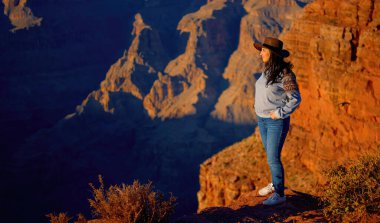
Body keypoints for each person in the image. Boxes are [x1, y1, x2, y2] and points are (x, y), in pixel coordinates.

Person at [253, 37, 302, 206]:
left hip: (275, 122)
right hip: (262, 120)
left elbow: (295, 98)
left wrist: (280, 113)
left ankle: (280, 194)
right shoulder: (268, 70)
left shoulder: (285, 74)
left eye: (264, 51)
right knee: (270, 156)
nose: (260, 53)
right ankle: (275, 183)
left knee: (273, 158)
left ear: (272, 54)